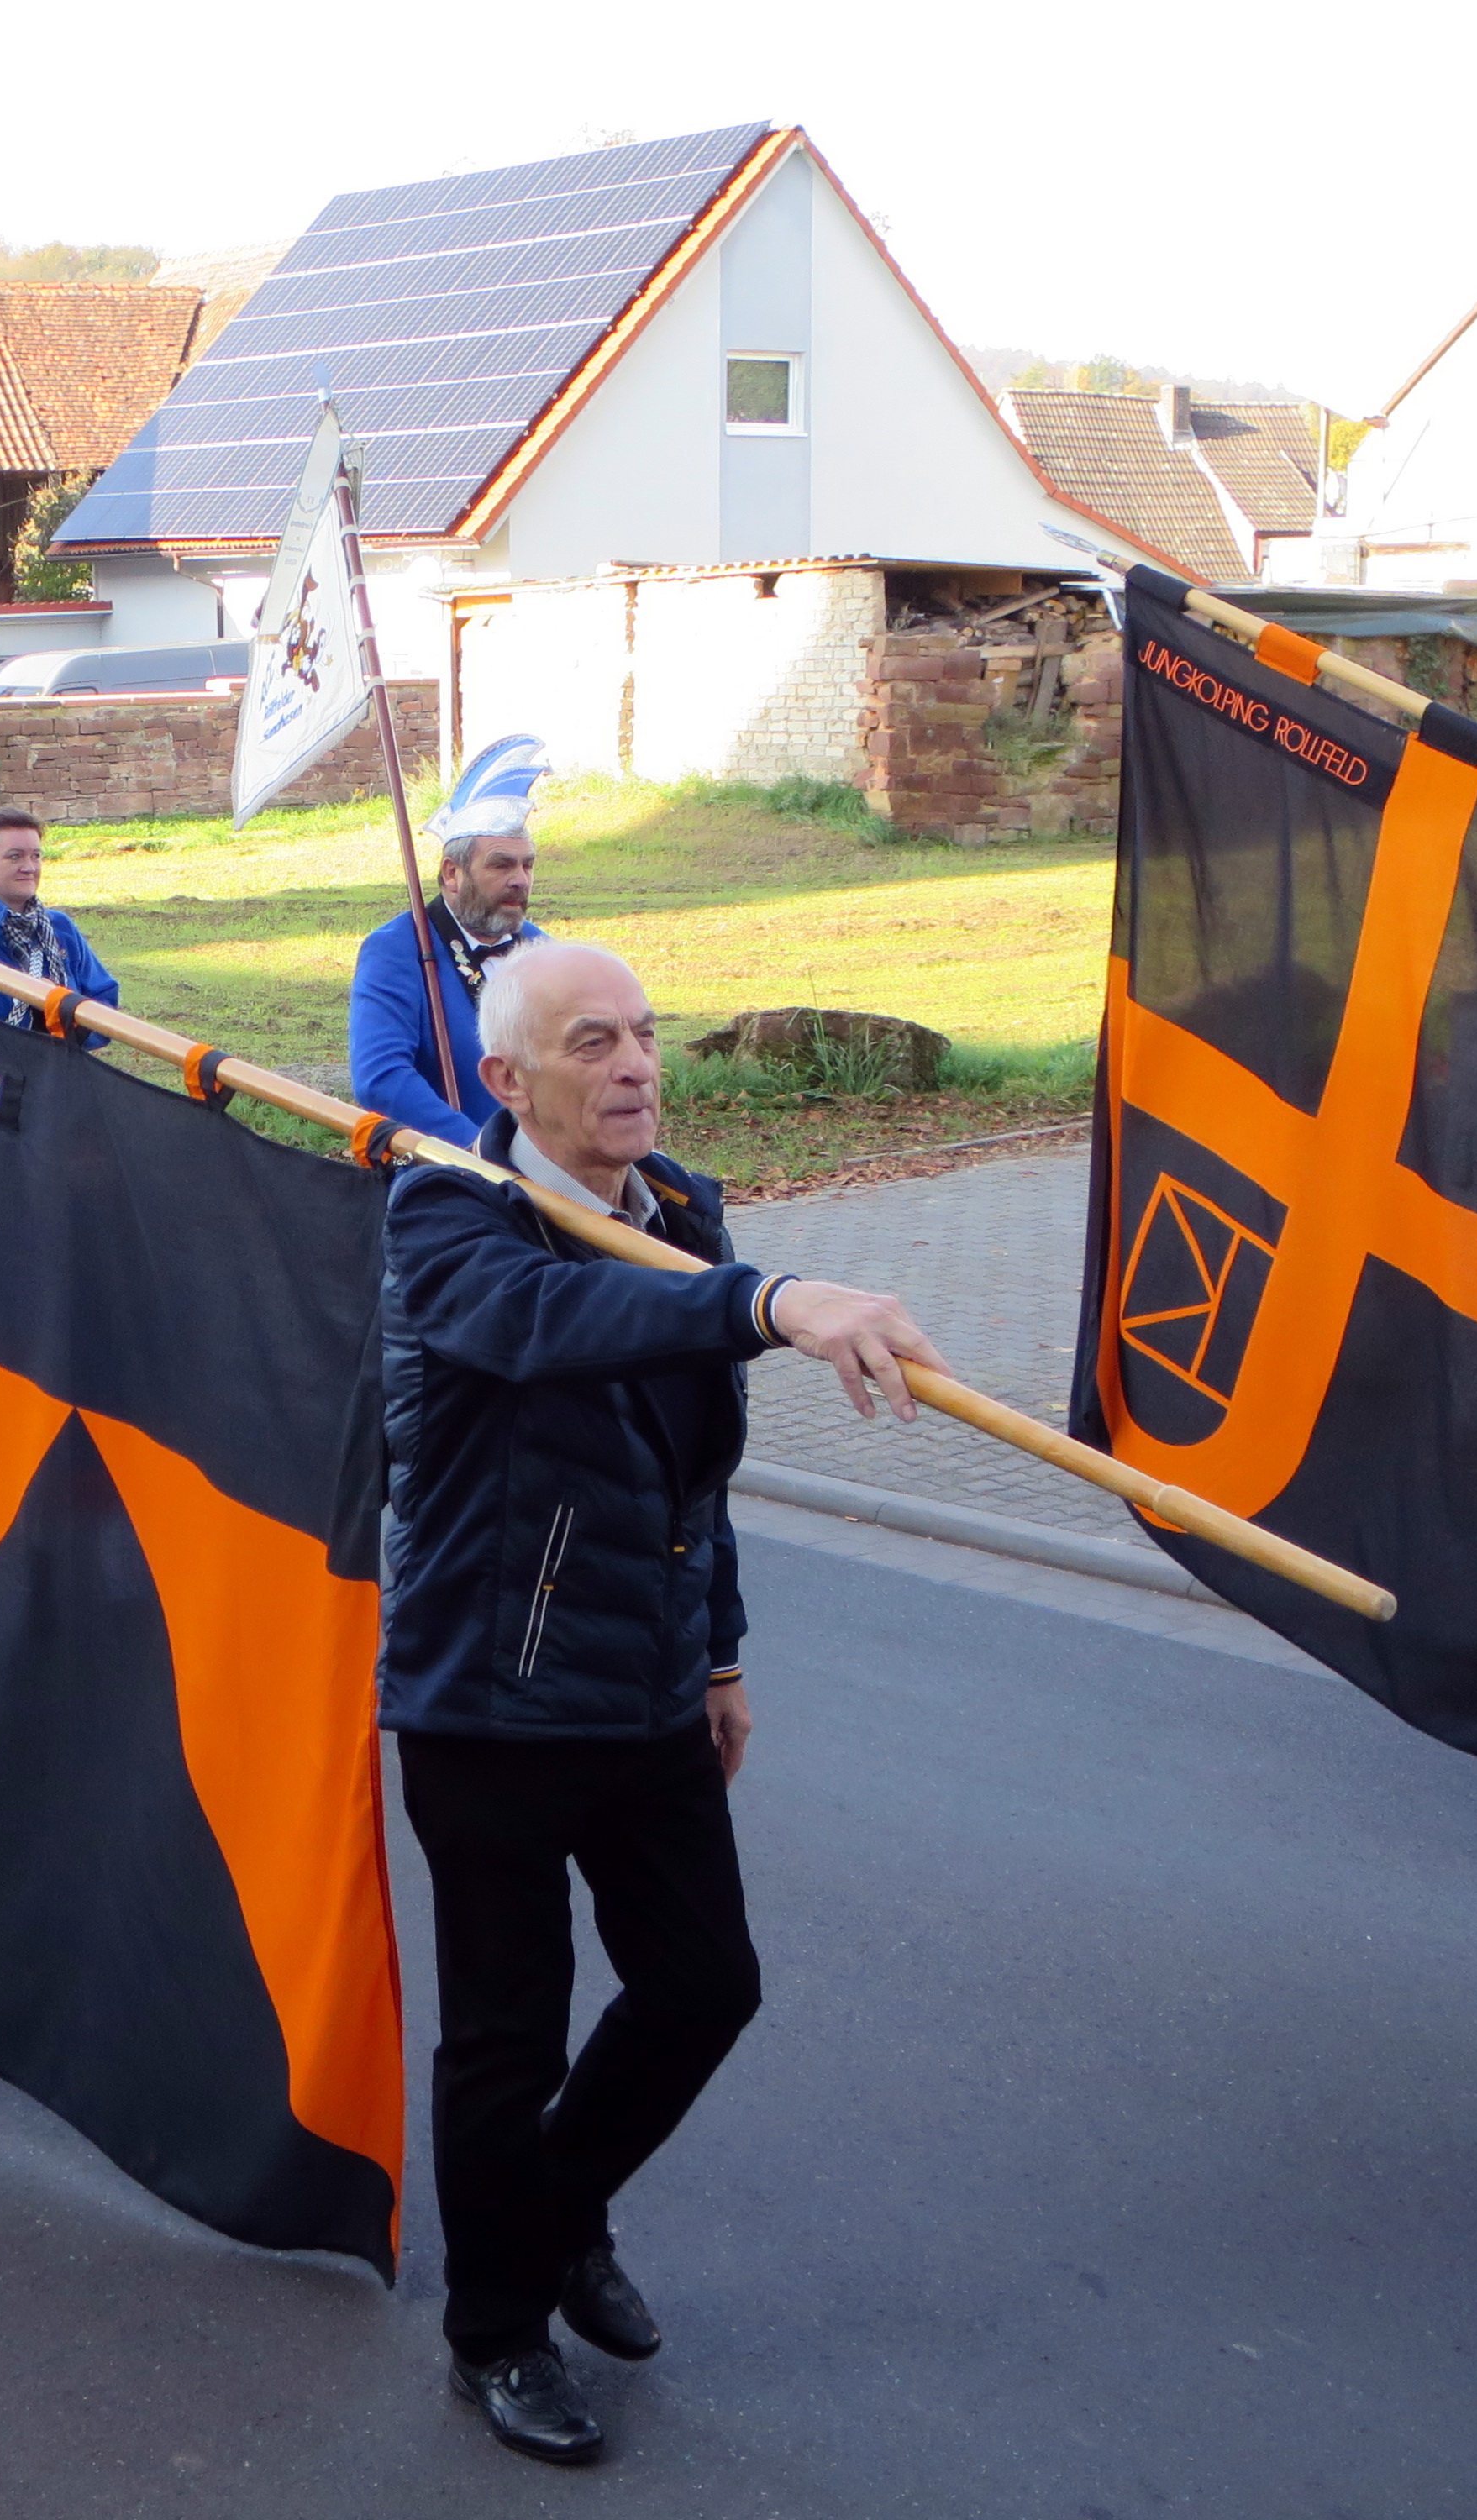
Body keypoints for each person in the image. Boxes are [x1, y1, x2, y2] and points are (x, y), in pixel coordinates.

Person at [381, 937, 947, 2465]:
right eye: (591, 1042)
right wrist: (764, 1302)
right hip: (488, 1703)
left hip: (642, 1689)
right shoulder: (448, 1213)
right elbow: (550, 1330)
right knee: (509, 2035)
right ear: (507, 1079)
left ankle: (551, 2220)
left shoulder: (683, 1208)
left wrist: (720, 1653)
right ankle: (493, 2333)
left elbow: (697, 1474)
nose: (635, 1064)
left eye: (644, 1034)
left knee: (707, 1987)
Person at [350, 735, 550, 1144]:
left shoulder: (544, 951)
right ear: (452, 874)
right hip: (452, 1174)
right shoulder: (397, 949)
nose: (520, 880)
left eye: (527, 865)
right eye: (501, 864)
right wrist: (478, 1152)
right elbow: (382, 1080)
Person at [0, 807, 120, 1032]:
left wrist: (62, 1007)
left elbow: (104, 1001)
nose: (29, 867)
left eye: (36, 856)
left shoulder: (60, 927)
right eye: (15, 856)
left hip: (59, 1064)